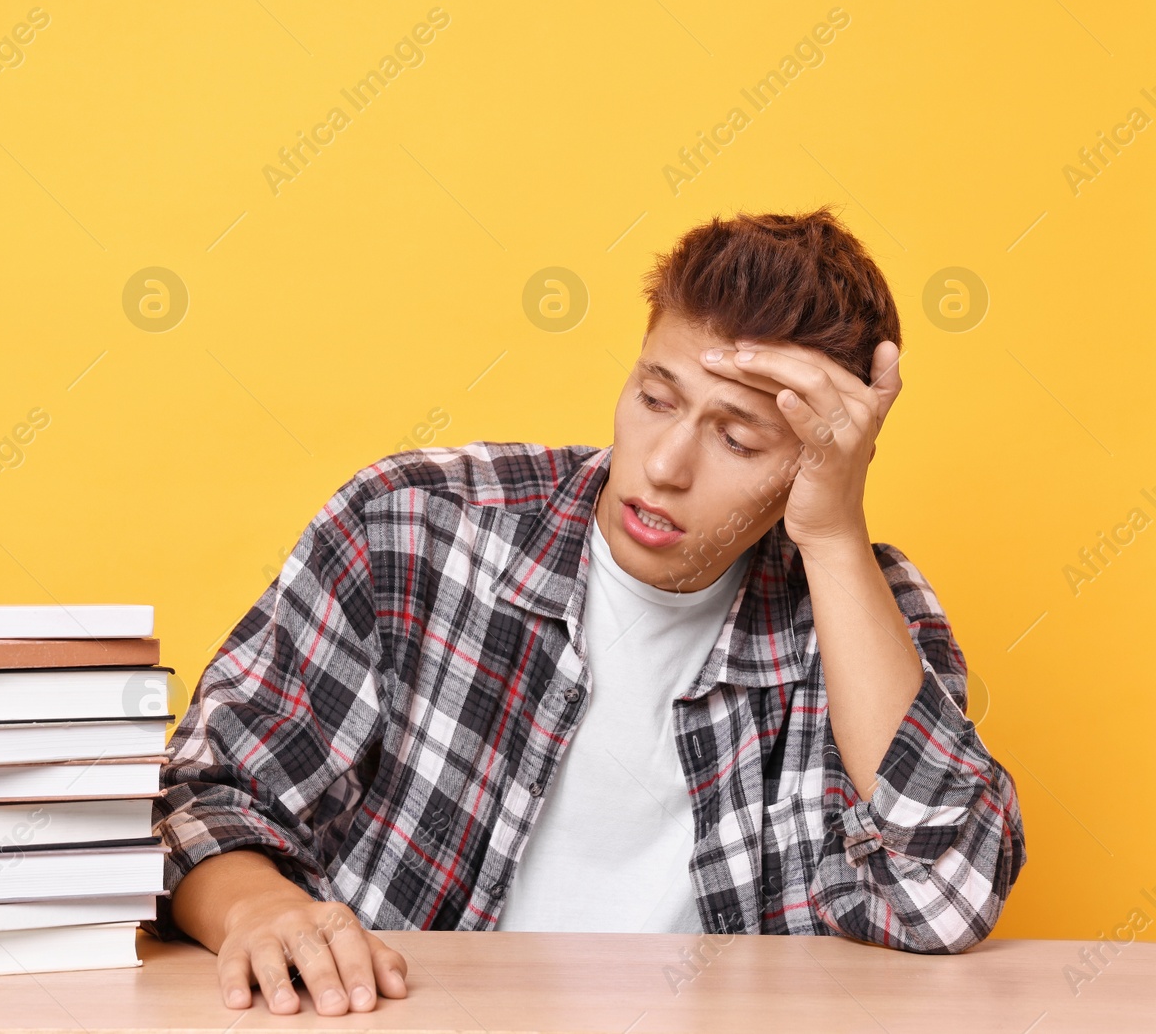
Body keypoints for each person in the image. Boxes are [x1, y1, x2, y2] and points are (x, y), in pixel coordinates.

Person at [148, 206, 1026, 1015]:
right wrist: (262, 909)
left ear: (815, 461)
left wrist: (834, 536)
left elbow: (940, 894)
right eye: (655, 398)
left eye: (737, 438)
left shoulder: (859, 608)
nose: (664, 465)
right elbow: (200, 794)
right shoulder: (411, 528)